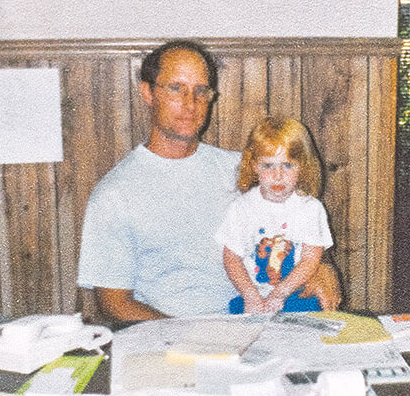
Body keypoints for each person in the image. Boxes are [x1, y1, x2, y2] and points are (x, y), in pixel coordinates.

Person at [77, 40, 340, 323]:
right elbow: (114, 304)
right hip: (171, 339)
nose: (190, 103)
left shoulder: (245, 171)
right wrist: (188, 338)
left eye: (201, 91)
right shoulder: (114, 194)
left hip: (260, 321)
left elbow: (299, 230)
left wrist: (324, 267)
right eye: (176, 88)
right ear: (148, 93)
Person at [216, 117, 332, 314]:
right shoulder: (241, 208)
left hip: (295, 293)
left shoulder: (311, 208)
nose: (278, 175)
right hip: (253, 296)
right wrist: (250, 294)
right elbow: (231, 257)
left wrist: (280, 293)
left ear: (302, 166)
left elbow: (310, 259)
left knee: (312, 310)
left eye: (287, 165)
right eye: (268, 166)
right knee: (236, 311)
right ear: (253, 165)